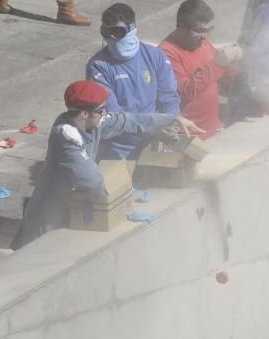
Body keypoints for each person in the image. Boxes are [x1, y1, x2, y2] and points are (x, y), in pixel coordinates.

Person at [11, 80, 201, 248]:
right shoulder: (66, 137)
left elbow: (128, 120)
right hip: (50, 214)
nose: (105, 115)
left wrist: (171, 119)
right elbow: (91, 180)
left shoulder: (94, 121)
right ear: (84, 114)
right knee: (30, 259)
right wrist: (120, 202)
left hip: (73, 208)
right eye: (101, 111)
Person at [86, 3, 180, 160]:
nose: (112, 38)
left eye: (117, 32)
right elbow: (113, 117)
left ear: (132, 29)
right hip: (117, 148)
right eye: (106, 32)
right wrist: (154, 126)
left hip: (154, 142)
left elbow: (169, 97)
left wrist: (170, 125)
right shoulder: (98, 67)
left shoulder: (155, 56)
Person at [160, 0, 239, 139]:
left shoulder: (201, 43)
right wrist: (218, 64)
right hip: (185, 137)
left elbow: (221, 77)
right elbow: (185, 92)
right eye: (200, 31)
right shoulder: (166, 53)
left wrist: (234, 63)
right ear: (182, 27)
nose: (205, 36)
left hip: (211, 130)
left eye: (209, 30)